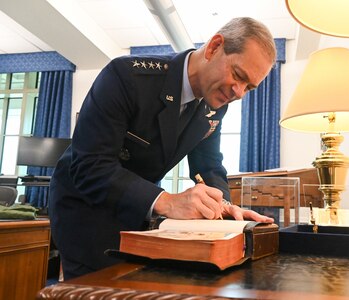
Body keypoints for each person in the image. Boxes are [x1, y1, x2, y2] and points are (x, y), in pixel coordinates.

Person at [49, 17, 277, 280]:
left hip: (137, 207)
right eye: (238, 76)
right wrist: (168, 201)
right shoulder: (127, 76)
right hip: (84, 205)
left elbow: (209, 164)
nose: (238, 92)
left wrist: (224, 207)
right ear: (214, 46)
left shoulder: (217, 104)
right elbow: (90, 166)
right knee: (98, 288)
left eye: (249, 87)